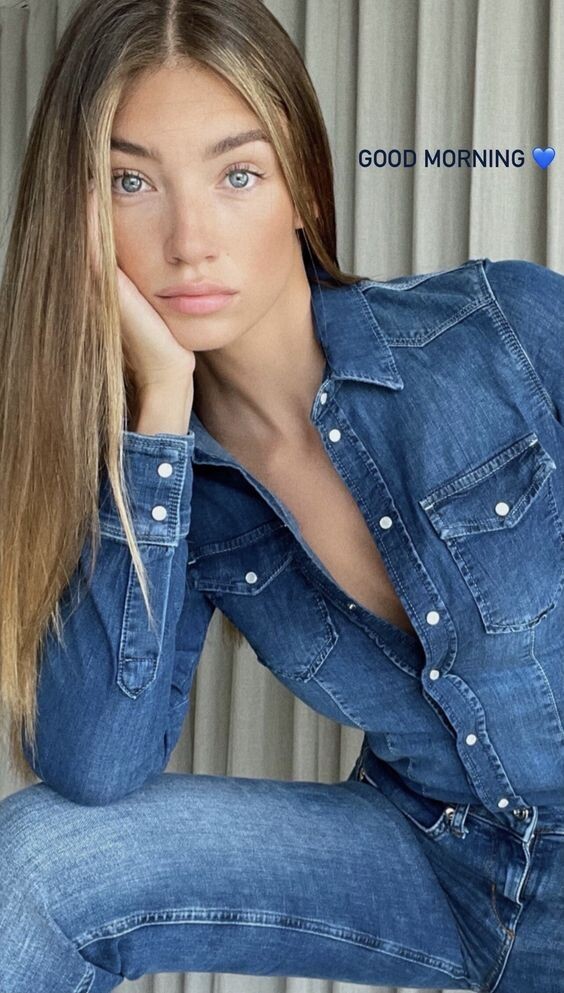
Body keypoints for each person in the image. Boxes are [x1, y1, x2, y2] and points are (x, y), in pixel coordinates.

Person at [0, 0, 563, 991]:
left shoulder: (502, 329)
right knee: (38, 862)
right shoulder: (172, 487)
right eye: (131, 182)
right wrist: (159, 408)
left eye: (237, 174)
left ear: (300, 181)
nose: (188, 241)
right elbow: (92, 765)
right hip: (437, 865)